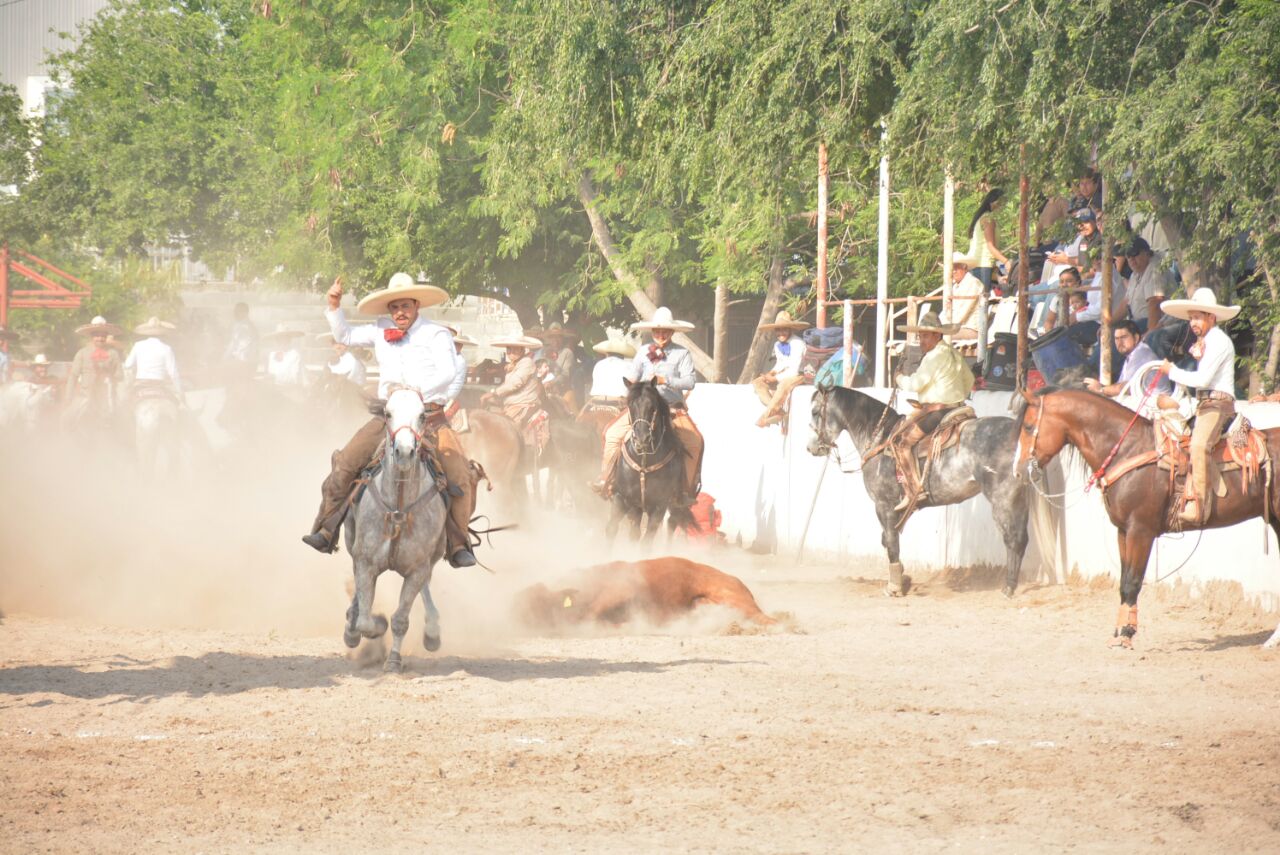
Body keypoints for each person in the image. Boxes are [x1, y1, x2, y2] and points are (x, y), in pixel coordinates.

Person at [302, 273, 479, 569]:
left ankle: (458, 543)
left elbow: (448, 373)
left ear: (416, 305)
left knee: (460, 476)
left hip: (429, 417)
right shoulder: (379, 329)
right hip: (390, 417)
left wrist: (415, 393)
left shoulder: (436, 334)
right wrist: (334, 305)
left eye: (405, 305)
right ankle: (326, 528)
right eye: (395, 306)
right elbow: (344, 336)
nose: (400, 312)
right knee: (345, 462)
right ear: (389, 309)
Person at [593, 307, 704, 505]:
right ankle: (606, 480)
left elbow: (690, 382)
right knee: (611, 433)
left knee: (696, 442)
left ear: (672, 332)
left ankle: (684, 491)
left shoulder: (682, 353)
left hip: (671, 407)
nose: (660, 335)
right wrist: (630, 387)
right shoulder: (643, 351)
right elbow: (635, 376)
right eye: (657, 331)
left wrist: (666, 379)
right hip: (643, 407)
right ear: (652, 332)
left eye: (665, 331)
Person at [1155, 289, 1240, 525]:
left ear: (1211, 317)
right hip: (1204, 403)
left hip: (1218, 405)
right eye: (1191, 317)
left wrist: (1171, 371)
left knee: (1199, 445)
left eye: (1197, 317)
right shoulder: (1206, 341)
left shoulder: (1219, 341)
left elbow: (1202, 380)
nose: (1193, 322)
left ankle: (1201, 507)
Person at [889, 310, 974, 511]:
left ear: (937, 335)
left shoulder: (933, 357)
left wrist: (899, 378)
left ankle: (913, 490)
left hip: (938, 412)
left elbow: (915, 384)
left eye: (925, 335)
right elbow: (969, 381)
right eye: (920, 336)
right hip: (960, 408)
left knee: (902, 443)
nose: (921, 340)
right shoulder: (953, 353)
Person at [1084, 320, 1172, 398]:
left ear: (1136, 338)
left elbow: (1126, 387)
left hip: (1155, 405)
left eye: (1124, 337)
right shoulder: (1132, 354)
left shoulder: (1141, 353)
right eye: (1116, 339)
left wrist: (1101, 389)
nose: (1120, 342)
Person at [753, 310, 809, 428]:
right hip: (785, 374)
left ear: (790, 329)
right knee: (757, 382)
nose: (781, 333)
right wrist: (771, 373)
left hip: (801, 374)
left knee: (783, 385)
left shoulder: (798, 343)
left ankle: (765, 416)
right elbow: (780, 364)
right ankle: (779, 412)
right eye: (778, 330)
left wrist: (774, 379)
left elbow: (794, 369)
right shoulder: (777, 345)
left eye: (784, 329)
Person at [66, 315, 124, 425]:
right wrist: (68, 397)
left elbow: (120, 376)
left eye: (103, 336)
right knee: (66, 419)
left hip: (108, 395)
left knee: (123, 420)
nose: (100, 338)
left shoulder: (113, 354)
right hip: (85, 395)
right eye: (97, 335)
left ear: (107, 336)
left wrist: (109, 376)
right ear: (91, 336)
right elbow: (73, 376)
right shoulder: (82, 353)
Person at [480, 334, 544, 425]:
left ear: (522, 349)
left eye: (515, 349)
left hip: (523, 404)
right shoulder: (514, 364)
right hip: (511, 404)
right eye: (509, 349)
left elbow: (515, 383)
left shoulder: (527, 362)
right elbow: (508, 385)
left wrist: (493, 393)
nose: (511, 352)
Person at [1117, 237, 1173, 333]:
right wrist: (1108, 323)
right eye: (1128, 256)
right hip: (1137, 321)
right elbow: (1126, 303)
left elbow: (1155, 303)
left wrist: (1149, 335)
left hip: (1157, 324)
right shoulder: (1135, 273)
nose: (1131, 259)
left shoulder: (1155, 269)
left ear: (1146, 253)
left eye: (1134, 254)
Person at [124, 317, 184, 404]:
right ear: (163, 334)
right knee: (176, 404)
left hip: (141, 383)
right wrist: (180, 391)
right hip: (160, 384)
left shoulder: (138, 345)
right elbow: (173, 372)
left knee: (126, 405)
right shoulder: (167, 348)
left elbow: (127, 365)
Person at [965, 189, 1011, 294]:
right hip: (982, 265)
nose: (1003, 207)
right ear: (992, 203)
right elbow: (990, 247)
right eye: (1001, 203)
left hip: (984, 264)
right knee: (982, 302)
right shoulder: (988, 219)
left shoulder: (987, 218)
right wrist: (1006, 262)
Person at [587, 330, 636, 409]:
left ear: (607, 353)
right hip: (618, 402)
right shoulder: (629, 366)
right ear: (623, 354)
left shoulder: (598, 365)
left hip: (596, 401)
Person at [946, 253, 984, 339]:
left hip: (971, 329)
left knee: (939, 336)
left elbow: (962, 314)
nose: (954, 271)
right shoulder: (955, 286)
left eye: (956, 268)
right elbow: (947, 312)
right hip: (957, 328)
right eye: (952, 268)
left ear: (965, 268)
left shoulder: (973, 283)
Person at [263, 324, 308, 390]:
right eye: (278, 339)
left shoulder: (294, 354)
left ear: (289, 339)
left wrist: (276, 377)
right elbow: (269, 372)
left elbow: (294, 378)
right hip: (273, 389)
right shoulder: (272, 355)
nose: (281, 341)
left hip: (288, 390)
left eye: (284, 338)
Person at [223, 302, 259, 379]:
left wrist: (224, 359)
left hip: (241, 362)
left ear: (245, 313)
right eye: (235, 311)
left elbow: (233, 344)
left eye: (238, 311)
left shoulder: (242, 326)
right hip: (248, 362)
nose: (235, 313)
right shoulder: (250, 325)